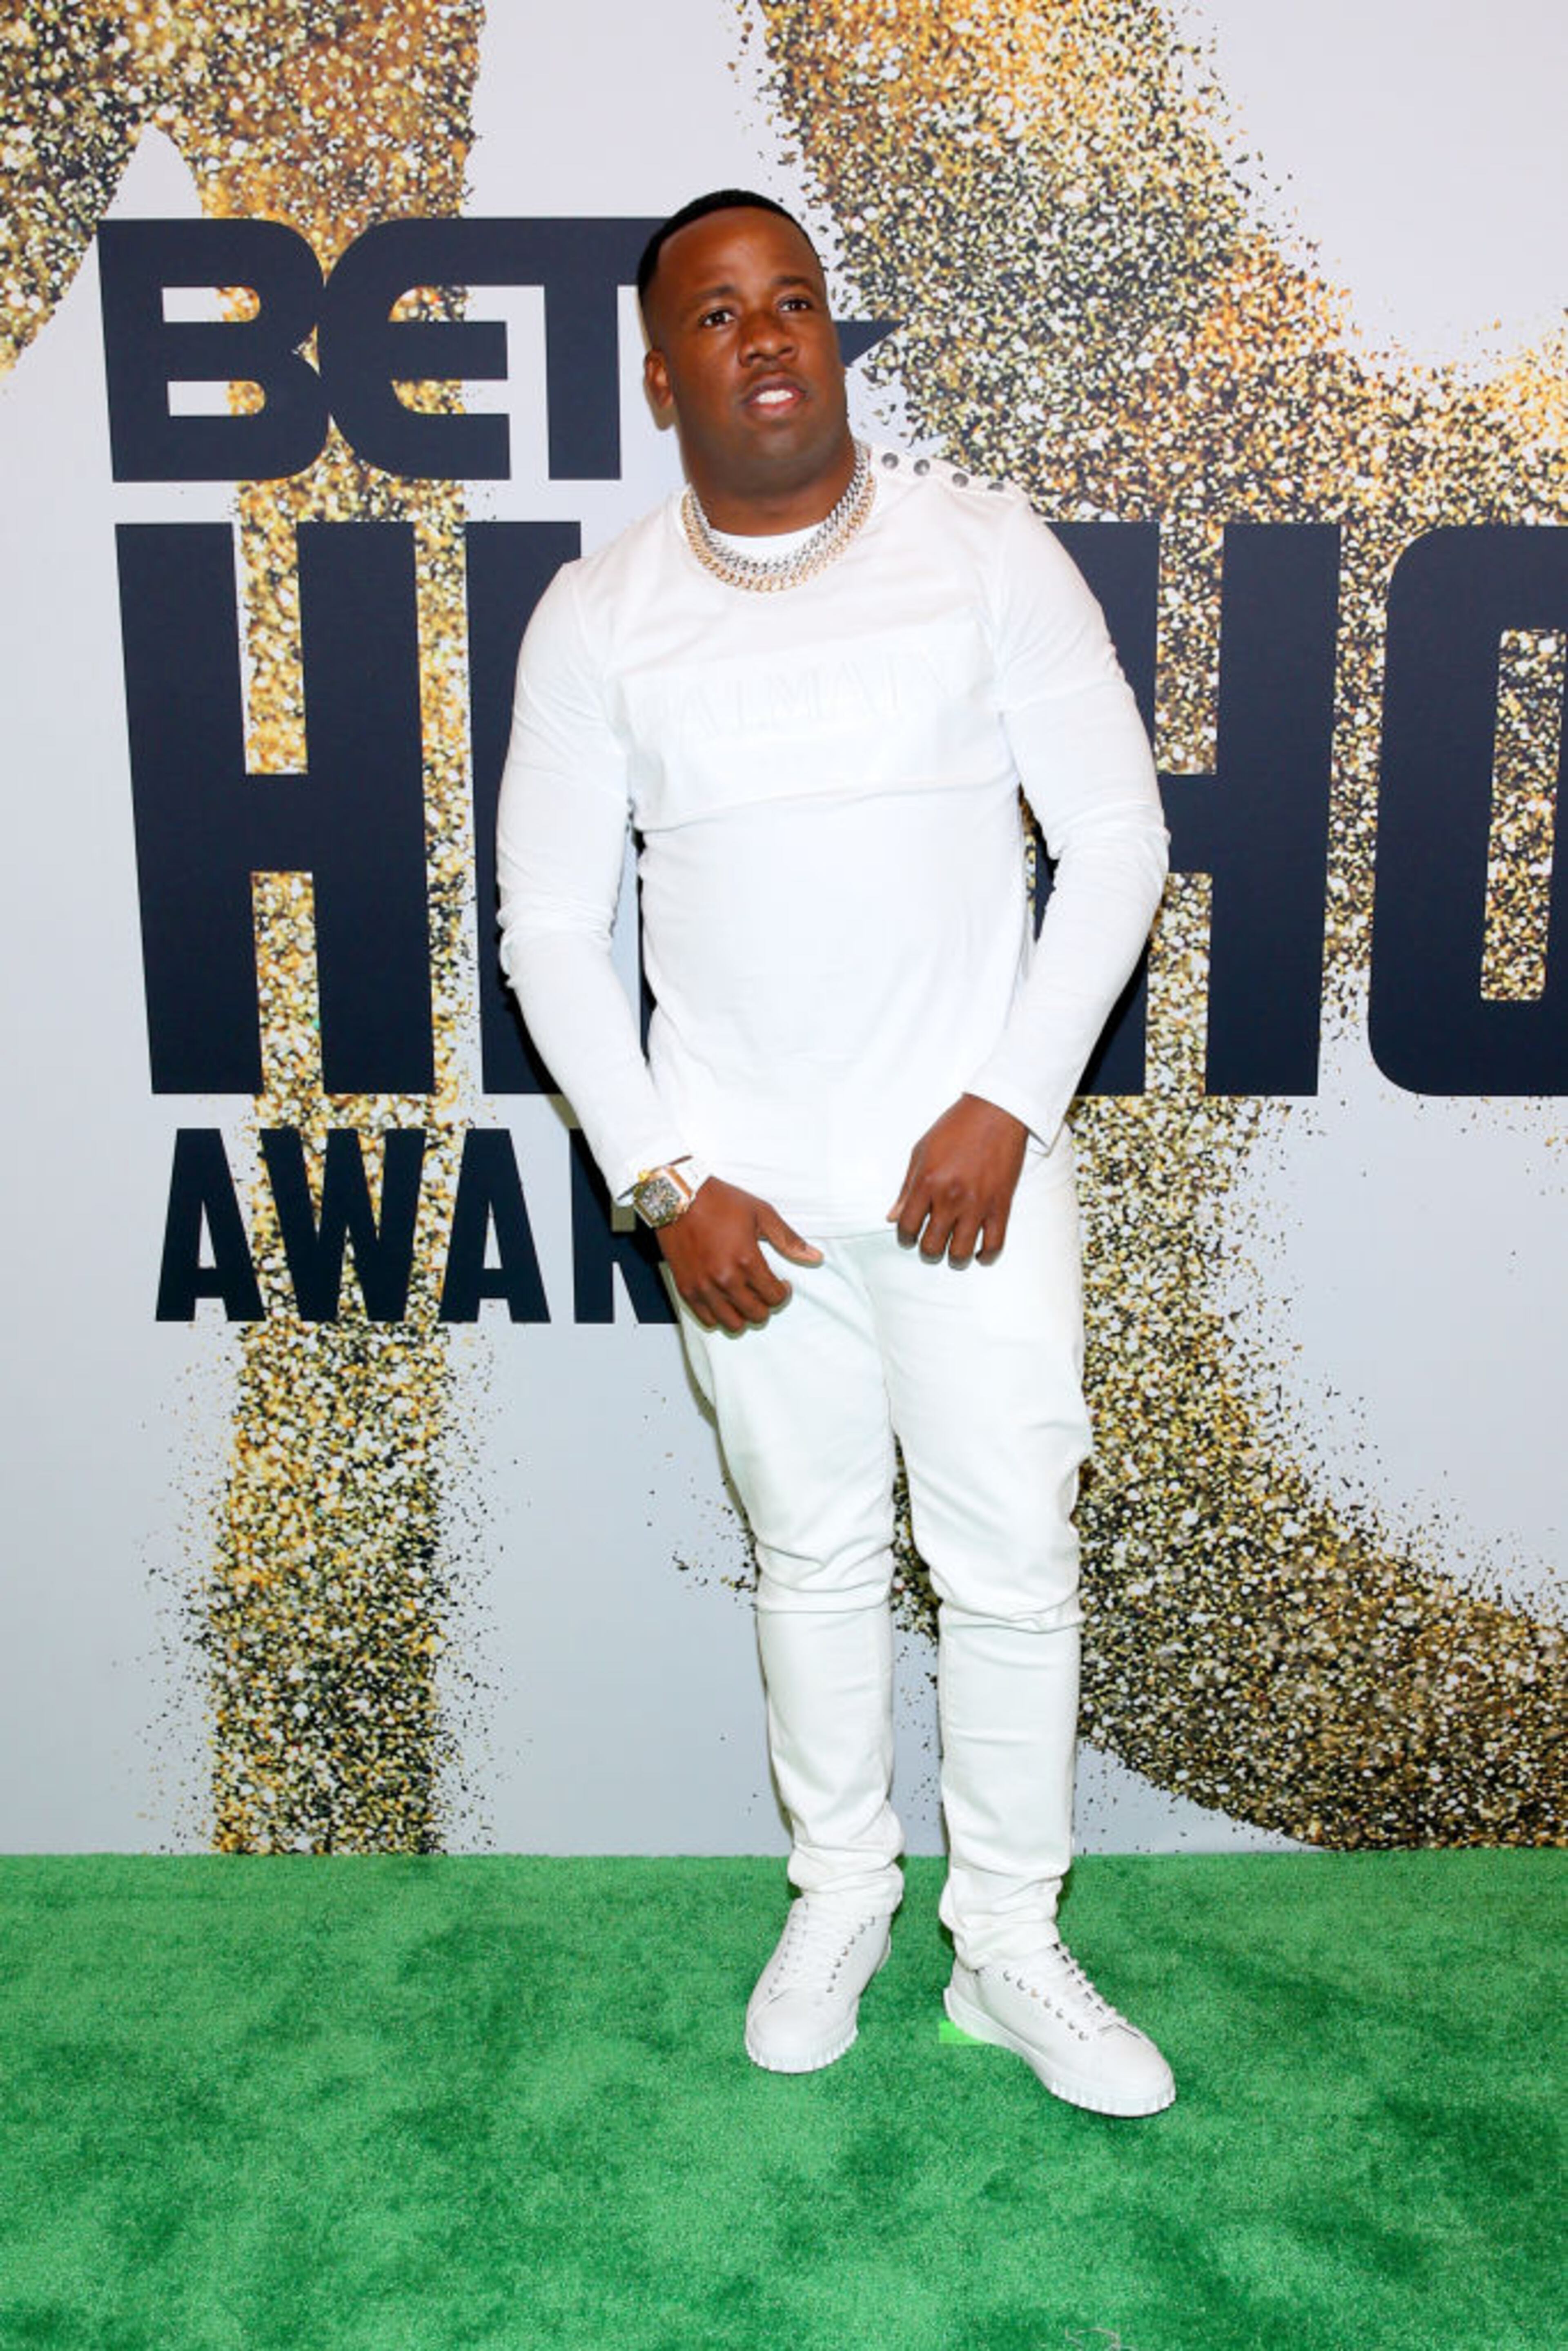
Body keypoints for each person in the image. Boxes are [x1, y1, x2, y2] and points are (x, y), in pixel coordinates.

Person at [497, 189, 1174, 2117]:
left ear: (831, 335)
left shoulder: (979, 555)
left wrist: (1011, 1102)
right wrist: (663, 1179)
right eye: (720, 315)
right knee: (807, 1558)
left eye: (794, 300)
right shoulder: (601, 613)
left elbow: (1115, 842)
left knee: (1013, 1562)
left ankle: (1012, 1945)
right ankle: (844, 1899)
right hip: (745, 1207)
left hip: (973, 1185)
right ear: (663, 371)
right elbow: (549, 926)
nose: (768, 335)